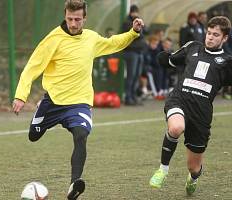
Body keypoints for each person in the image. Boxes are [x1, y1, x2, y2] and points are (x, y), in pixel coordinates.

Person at [12, 0, 144, 199]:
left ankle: (74, 185)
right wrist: (21, 96)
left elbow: (112, 44)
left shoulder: (91, 38)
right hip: (53, 101)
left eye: (77, 19)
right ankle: (41, 111)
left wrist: (132, 33)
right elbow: (32, 68)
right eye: (69, 19)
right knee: (33, 136)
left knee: (81, 135)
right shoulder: (52, 39)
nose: (73, 24)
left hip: (80, 101)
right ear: (65, 15)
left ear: (84, 18)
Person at [149, 16, 232, 195]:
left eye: (216, 35)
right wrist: (162, 57)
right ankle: (162, 170)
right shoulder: (192, 47)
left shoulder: (229, 62)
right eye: (209, 33)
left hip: (201, 113)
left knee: (193, 167)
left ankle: (193, 177)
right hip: (179, 99)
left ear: (224, 38)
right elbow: (171, 60)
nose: (210, 37)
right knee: (176, 128)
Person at [122, 4, 147, 105]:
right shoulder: (127, 23)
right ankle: (128, 97)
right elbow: (138, 35)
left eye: (137, 12)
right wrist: (140, 30)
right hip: (131, 52)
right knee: (131, 76)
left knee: (137, 76)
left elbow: (146, 30)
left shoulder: (138, 21)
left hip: (139, 52)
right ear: (131, 12)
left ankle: (134, 96)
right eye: (134, 12)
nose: (135, 14)